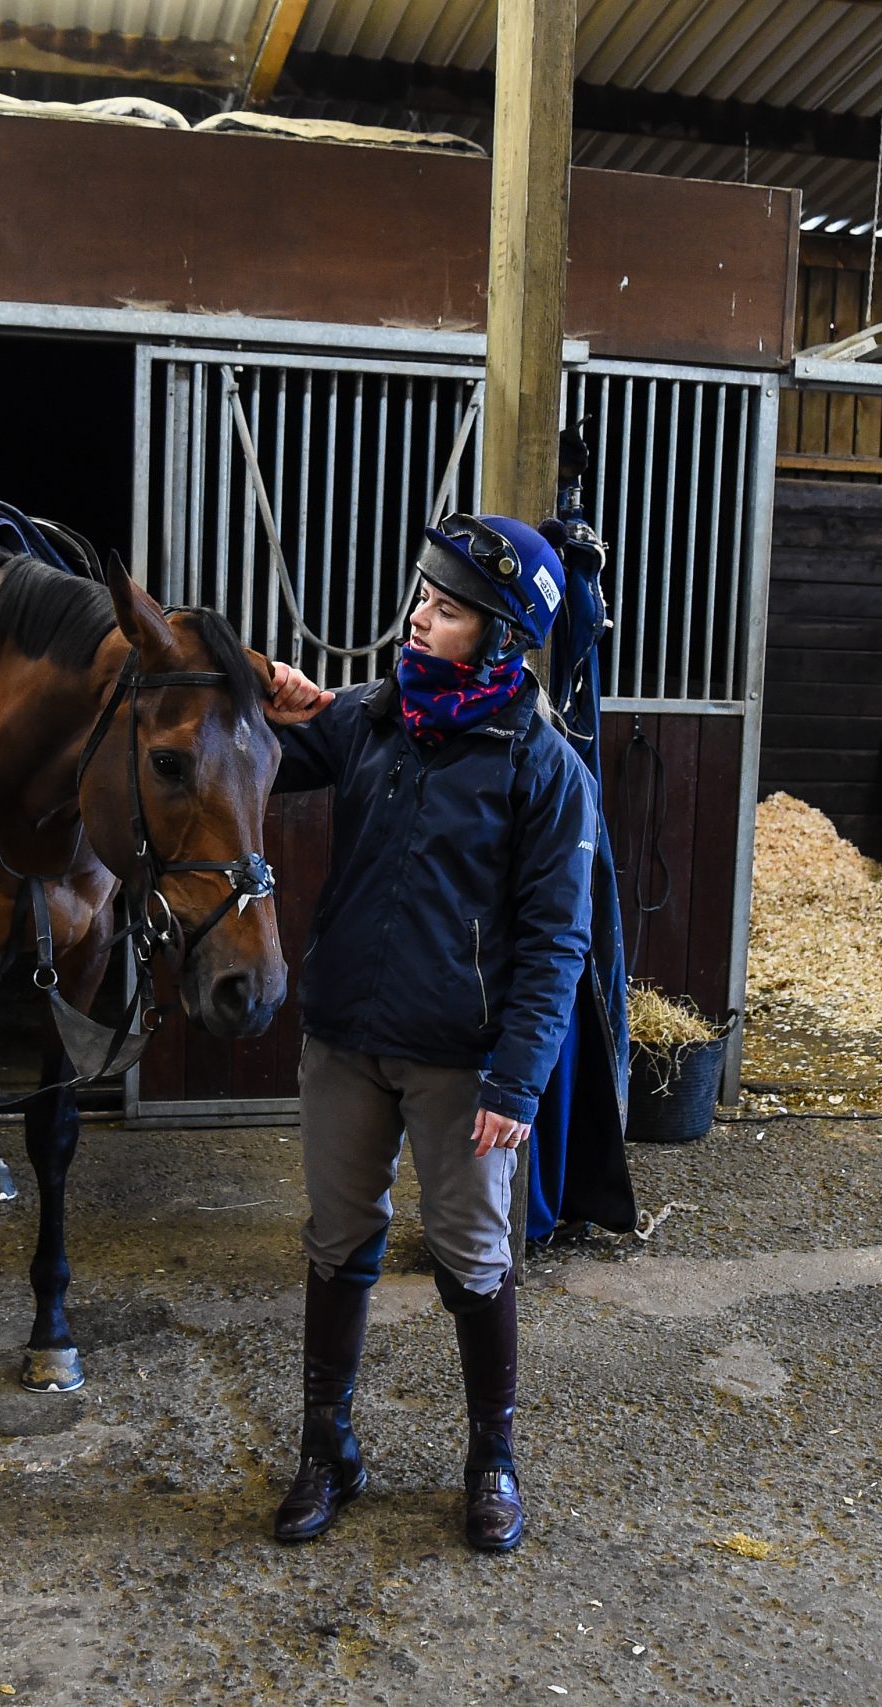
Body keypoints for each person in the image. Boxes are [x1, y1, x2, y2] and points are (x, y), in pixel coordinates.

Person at [259, 512, 598, 1553]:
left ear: (497, 637)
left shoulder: (543, 769)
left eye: (445, 610)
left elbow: (556, 940)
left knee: (472, 1257)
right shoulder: (368, 717)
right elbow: (261, 747)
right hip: (345, 1035)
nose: (417, 618)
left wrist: (517, 1082)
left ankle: (490, 1457)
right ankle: (328, 1446)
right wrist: (247, 684)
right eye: (422, 598)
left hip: (464, 1061)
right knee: (336, 1239)